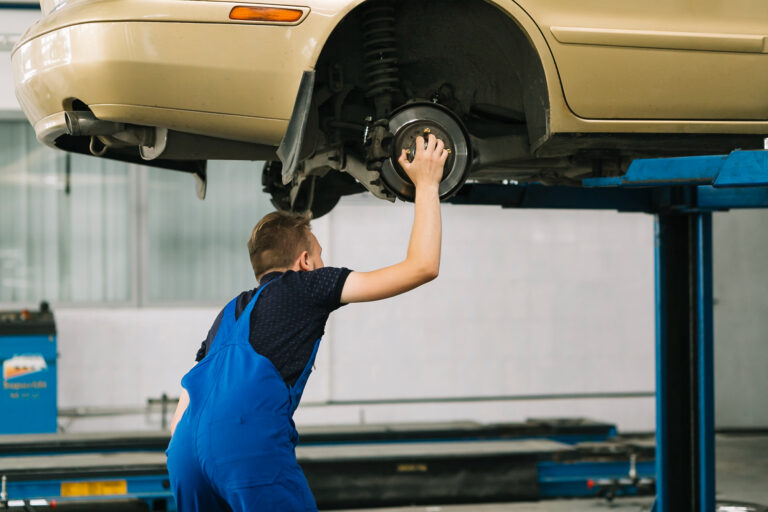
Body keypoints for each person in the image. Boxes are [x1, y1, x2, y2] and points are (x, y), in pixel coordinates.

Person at [165, 133, 448, 512]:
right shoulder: (305, 286)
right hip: (241, 444)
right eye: (319, 256)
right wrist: (427, 183)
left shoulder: (229, 313)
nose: (322, 264)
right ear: (303, 262)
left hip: (184, 450)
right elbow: (422, 266)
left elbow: (185, 402)